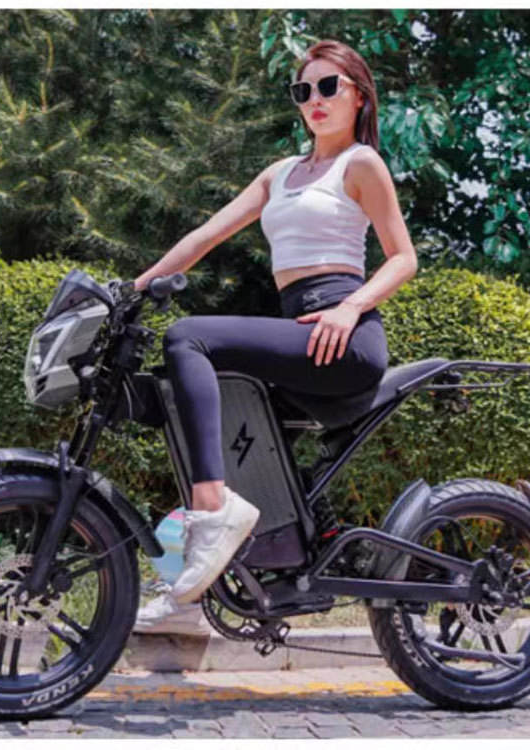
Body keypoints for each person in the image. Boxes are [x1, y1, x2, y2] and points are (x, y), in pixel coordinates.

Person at [132, 39, 418, 626]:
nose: (315, 99)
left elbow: (403, 257)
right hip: (302, 332)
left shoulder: (360, 164)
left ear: (358, 97)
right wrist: (133, 288)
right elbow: (205, 237)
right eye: (303, 90)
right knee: (208, 404)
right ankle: (207, 579)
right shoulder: (280, 174)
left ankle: (212, 506)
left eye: (329, 87)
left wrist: (350, 308)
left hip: (344, 335)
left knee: (188, 337)